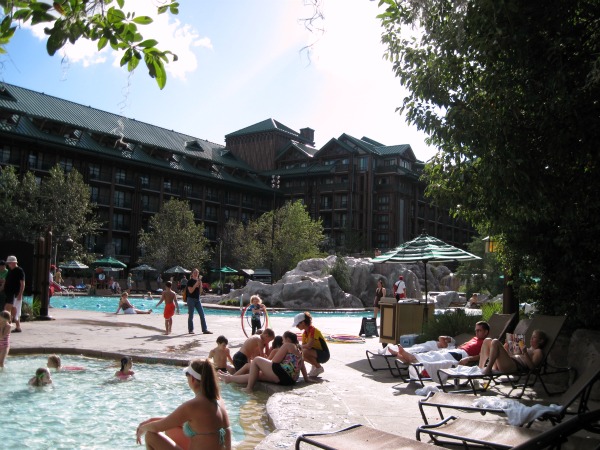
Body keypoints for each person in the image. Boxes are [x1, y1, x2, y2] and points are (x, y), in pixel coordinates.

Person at [136, 359, 232, 450]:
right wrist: (152, 420)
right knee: (173, 429)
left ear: (193, 379)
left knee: (150, 435)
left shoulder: (194, 405)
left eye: (187, 374)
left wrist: (142, 429)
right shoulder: (218, 400)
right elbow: (175, 421)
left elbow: (158, 427)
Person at [219, 331, 310, 393]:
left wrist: (264, 364)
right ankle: (229, 378)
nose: (282, 341)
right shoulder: (299, 349)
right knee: (257, 375)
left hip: (282, 374)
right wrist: (306, 379)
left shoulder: (288, 345)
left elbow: (275, 361)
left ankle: (249, 388)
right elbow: (302, 365)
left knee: (257, 360)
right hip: (289, 380)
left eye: (283, 339)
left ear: (288, 339)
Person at [394, 321, 491, 366]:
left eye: (479, 331)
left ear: (486, 332)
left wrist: (469, 358)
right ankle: (412, 358)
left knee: (437, 356)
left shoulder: (487, 342)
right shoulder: (475, 338)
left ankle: (412, 358)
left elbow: (483, 355)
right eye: (476, 330)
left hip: (462, 355)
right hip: (457, 351)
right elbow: (465, 345)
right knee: (435, 353)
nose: (476, 332)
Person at [479, 329, 547, 375]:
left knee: (495, 342)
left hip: (514, 367)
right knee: (488, 340)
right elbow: (512, 355)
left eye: (534, 337)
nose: (531, 339)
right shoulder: (527, 348)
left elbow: (533, 368)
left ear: (541, 341)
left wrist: (525, 353)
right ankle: (480, 368)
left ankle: (488, 369)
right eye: (531, 337)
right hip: (508, 362)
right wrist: (506, 348)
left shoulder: (538, 351)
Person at [293, 312, 330, 377]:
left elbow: (308, 345)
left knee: (304, 352)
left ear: (303, 323)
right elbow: (303, 347)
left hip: (324, 355)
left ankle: (318, 367)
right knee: (300, 352)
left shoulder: (313, 330)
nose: (296, 326)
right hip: (315, 353)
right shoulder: (305, 333)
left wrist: (297, 346)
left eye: (298, 325)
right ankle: (315, 366)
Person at [186, 268, 212, 335]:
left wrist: (200, 285)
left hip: (197, 299)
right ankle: (190, 330)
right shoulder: (190, 281)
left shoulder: (199, 281)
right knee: (191, 315)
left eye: (197, 272)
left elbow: (200, 292)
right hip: (190, 299)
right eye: (194, 272)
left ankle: (204, 329)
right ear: (192, 273)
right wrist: (195, 284)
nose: (196, 274)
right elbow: (190, 291)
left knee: (202, 314)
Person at [3, 255, 25, 332]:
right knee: (13, 310)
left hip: (15, 293)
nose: (8, 265)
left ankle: (6, 325)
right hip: (10, 293)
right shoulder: (11, 271)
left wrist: (20, 294)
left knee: (8, 309)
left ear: (13, 263)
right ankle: (17, 326)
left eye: (9, 263)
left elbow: (22, 283)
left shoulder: (19, 270)